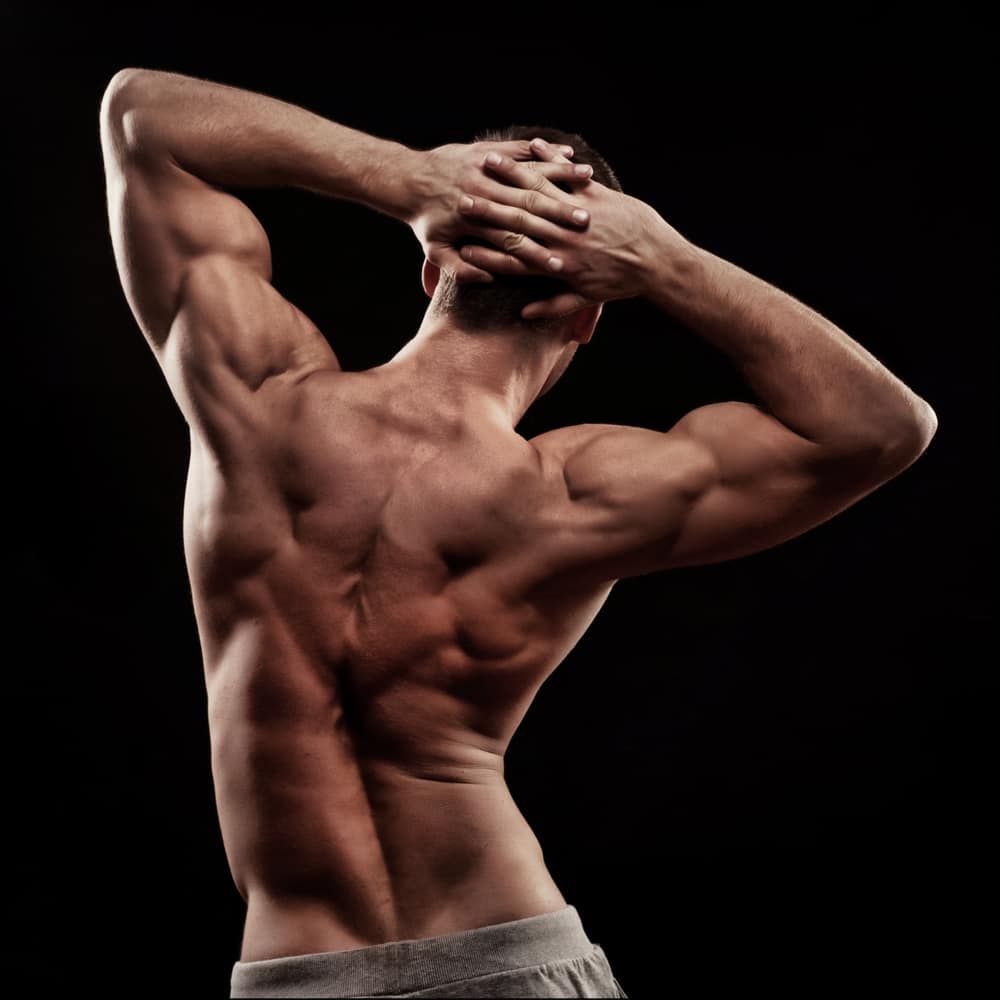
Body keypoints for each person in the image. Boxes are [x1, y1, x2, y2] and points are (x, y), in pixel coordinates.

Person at [99, 68, 937, 999]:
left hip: (294, 969)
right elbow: (884, 428)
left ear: (432, 267)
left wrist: (407, 178)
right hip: (507, 949)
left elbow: (143, 113)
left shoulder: (257, 409)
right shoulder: (573, 494)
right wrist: (667, 260)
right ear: (588, 316)